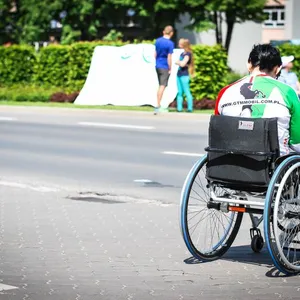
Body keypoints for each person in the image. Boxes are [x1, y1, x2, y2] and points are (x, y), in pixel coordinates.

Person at [215, 43, 300, 155]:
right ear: (278, 68)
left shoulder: (225, 92)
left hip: (231, 160)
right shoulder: (288, 92)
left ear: (249, 64)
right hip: (273, 160)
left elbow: (218, 131)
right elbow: (296, 140)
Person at [154, 25, 175, 114]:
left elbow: (155, 54)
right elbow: (169, 56)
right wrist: (170, 67)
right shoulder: (170, 43)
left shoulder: (158, 41)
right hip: (164, 66)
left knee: (160, 85)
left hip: (158, 65)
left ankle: (158, 104)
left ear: (163, 32)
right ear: (171, 33)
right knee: (162, 85)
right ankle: (158, 105)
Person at [175, 38, 195, 112]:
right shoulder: (182, 54)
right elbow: (181, 62)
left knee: (187, 92)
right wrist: (179, 62)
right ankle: (179, 108)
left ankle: (190, 108)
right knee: (179, 92)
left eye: (180, 43)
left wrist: (178, 62)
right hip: (179, 74)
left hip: (184, 75)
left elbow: (182, 64)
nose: (179, 45)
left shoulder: (188, 54)